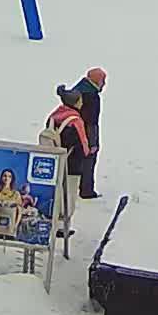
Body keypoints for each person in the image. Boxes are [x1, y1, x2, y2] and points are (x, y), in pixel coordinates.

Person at [43, 86, 93, 241]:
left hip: (53, 161)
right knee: (68, 195)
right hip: (71, 165)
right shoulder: (75, 120)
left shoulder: (53, 116)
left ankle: (50, 222)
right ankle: (62, 227)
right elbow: (83, 145)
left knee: (55, 192)